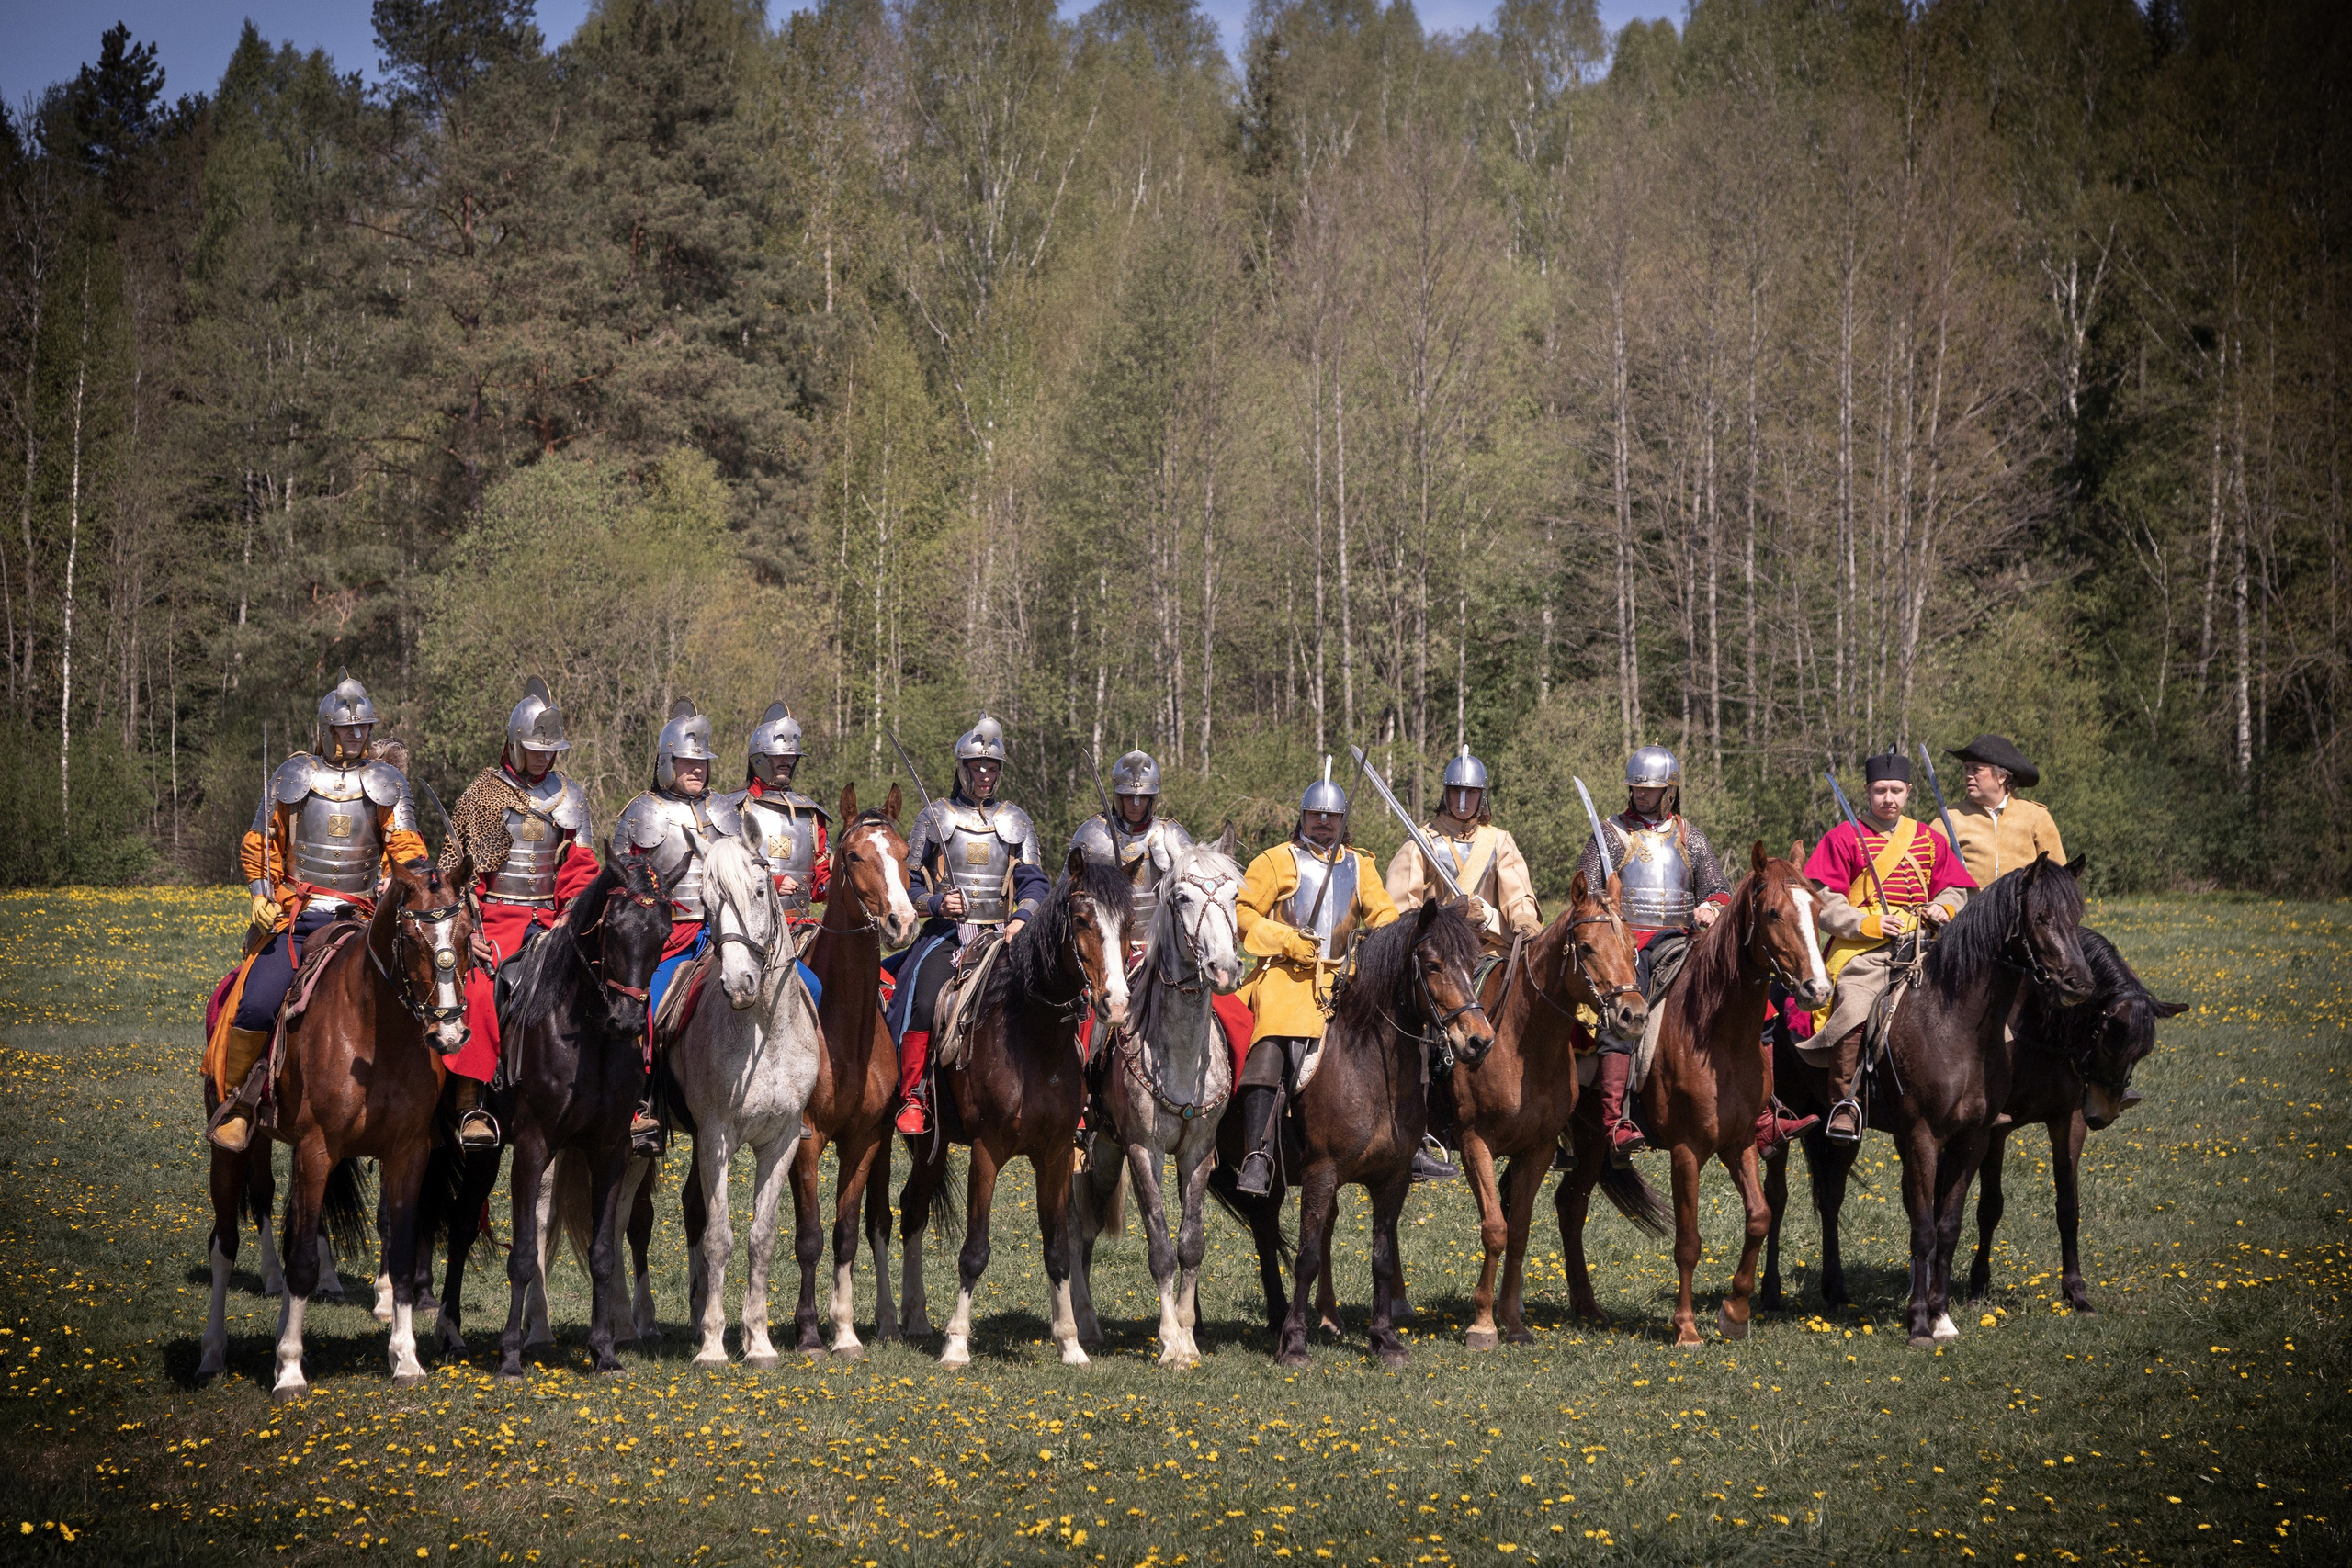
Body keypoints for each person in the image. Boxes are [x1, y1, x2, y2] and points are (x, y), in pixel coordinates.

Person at [206, 674, 429, 1152]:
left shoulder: (387, 783)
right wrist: (261, 896)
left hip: (364, 917)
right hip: (299, 914)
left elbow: (407, 849)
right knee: (257, 1000)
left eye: (364, 728)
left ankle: (435, 1106)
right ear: (327, 730)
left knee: (426, 993)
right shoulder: (293, 775)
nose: (358, 736)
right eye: (348, 729)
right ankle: (240, 1105)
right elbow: (260, 845)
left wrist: (403, 879)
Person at [439, 677, 600, 1148]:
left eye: (549, 750)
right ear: (514, 744)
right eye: (534, 748)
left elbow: (581, 868)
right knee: (480, 990)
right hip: (497, 920)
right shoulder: (489, 794)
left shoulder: (570, 797)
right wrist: (469, 931)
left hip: (552, 922)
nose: (543, 757)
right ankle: (471, 1103)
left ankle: (612, 1098)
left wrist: (574, 911)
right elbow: (464, 876)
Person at [1228, 759, 1401, 1196]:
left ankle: (1408, 1139)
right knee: (1270, 1037)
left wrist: (1379, 938)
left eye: (1332, 818)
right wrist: (1285, 940)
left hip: (1346, 973)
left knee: (1400, 1032)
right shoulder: (1275, 861)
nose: (1323, 825)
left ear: (1343, 820)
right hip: (1286, 976)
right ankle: (1258, 1154)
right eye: (1315, 816)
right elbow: (1241, 912)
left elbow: (1383, 914)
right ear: (1302, 817)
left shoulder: (1360, 866)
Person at [1801, 750, 1977, 1144]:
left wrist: (1943, 907)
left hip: (1924, 945)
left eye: (1896, 790)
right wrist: (1868, 922)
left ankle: (1986, 1089)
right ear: (1868, 791)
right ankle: (1846, 1101)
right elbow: (1824, 899)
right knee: (1854, 1004)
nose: (1888, 799)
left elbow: (1955, 888)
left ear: (1909, 792)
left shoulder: (1929, 839)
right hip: (1865, 951)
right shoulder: (1843, 837)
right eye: (1880, 790)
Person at [887, 715, 1048, 1134]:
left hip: (1001, 935)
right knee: (921, 998)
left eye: (991, 768)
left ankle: (1062, 1091)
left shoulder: (1017, 821)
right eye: (977, 767)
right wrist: (937, 902)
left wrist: (1021, 920)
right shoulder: (933, 818)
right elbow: (904, 888)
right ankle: (913, 1095)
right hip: (945, 934)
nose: (984, 775)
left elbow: (1036, 885)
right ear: (962, 768)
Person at [615, 700, 745, 1152]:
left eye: (703, 762)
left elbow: (745, 871)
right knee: (644, 1012)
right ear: (668, 762)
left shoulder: (727, 810)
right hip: (668, 938)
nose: (697, 770)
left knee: (804, 987)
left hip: (725, 934)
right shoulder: (642, 810)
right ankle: (641, 1104)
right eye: (688, 762)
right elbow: (624, 883)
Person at [1383, 746, 1540, 951]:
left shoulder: (1500, 841)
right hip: (1438, 951)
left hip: (1491, 948)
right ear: (1446, 793)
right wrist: (1450, 918)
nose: (1462, 800)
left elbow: (1517, 894)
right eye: (1456, 791)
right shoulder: (1421, 842)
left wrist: (1523, 916)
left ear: (1482, 795)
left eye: (1471, 791)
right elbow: (1403, 908)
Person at [1069, 749, 1193, 955]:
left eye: (1143, 798)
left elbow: (1190, 898)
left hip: (1161, 946)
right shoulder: (1091, 833)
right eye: (1128, 797)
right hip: (1104, 946)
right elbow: (1068, 892)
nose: (1136, 805)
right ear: (1118, 796)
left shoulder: (1172, 834)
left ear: (1152, 798)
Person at [721, 702, 831, 919]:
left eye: (791, 756)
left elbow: (819, 885)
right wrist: (771, 883)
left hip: (799, 924)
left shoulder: (810, 814)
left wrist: (840, 881)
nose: (787, 761)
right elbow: (720, 873)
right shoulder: (731, 809)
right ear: (760, 758)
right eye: (778, 755)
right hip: (744, 924)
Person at [1937, 733, 2065, 890]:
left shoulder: (2036, 817)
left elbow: (2059, 878)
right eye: (1967, 768)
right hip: (1968, 911)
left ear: (2002, 777)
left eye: (1976, 770)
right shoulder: (1950, 817)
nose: (1968, 775)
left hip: (2020, 912)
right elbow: (1927, 866)